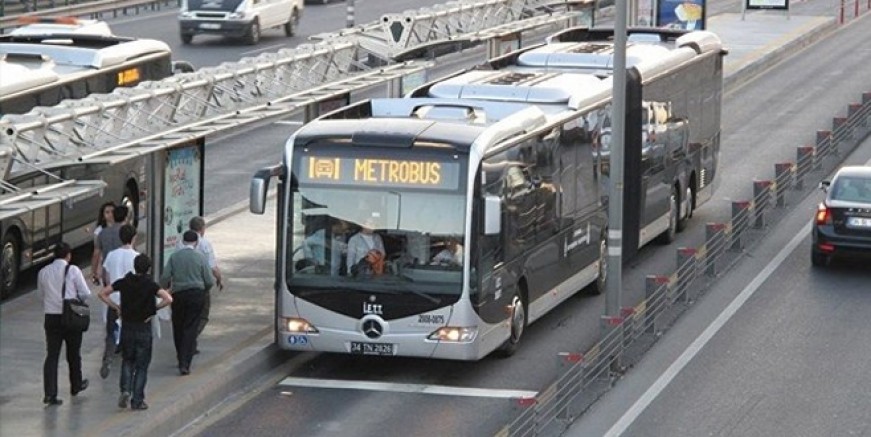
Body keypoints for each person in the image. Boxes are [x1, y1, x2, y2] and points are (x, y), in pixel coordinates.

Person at [100, 254, 172, 411]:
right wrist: (154, 310)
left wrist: (116, 307)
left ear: (135, 266)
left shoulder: (124, 282)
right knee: (142, 365)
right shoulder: (150, 285)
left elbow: (102, 293)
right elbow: (168, 299)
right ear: (149, 268)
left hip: (127, 327)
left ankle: (125, 390)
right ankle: (137, 400)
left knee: (127, 361)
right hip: (143, 328)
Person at [37, 242, 91, 406]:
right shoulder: (73, 270)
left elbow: (41, 295)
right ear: (68, 255)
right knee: (74, 352)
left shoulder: (43, 272)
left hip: (51, 317)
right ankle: (76, 384)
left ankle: (50, 393)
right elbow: (85, 293)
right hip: (71, 316)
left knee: (52, 355)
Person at [161, 230, 214, 375]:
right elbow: (209, 280)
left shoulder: (174, 257)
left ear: (183, 241)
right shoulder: (200, 257)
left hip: (179, 295)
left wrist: (165, 288)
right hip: (196, 294)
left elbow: (165, 277)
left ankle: (180, 357)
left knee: (178, 326)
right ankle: (186, 363)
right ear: (196, 242)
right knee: (191, 327)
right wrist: (204, 290)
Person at [94, 205, 130, 379]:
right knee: (127, 321)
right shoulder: (128, 238)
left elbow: (98, 257)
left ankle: (108, 354)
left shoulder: (102, 234)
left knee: (111, 322)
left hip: (112, 284)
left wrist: (97, 275)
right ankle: (122, 346)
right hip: (126, 287)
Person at [99, 224, 139, 378]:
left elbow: (107, 278)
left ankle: (107, 357)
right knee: (129, 333)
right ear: (133, 238)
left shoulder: (111, 255)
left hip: (113, 300)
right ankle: (126, 362)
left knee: (111, 332)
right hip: (130, 303)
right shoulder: (136, 257)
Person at [186, 216, 223, 340]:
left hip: (183, 284)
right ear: (202, 229)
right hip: (200, 286)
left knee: (188, 315)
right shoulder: (205, 244)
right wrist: (219, 279)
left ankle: (188, 339)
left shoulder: (181, 243)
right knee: (203, 316)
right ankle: (191, 338)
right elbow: (212, 266)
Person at [90, 201, 115, 284]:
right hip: (106, 266)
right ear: (103, 215)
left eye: (112, 212)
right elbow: (96, 253)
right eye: (107, 212)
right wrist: (94, 272)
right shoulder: (99, 231)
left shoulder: (121, 228)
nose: (110, 214)